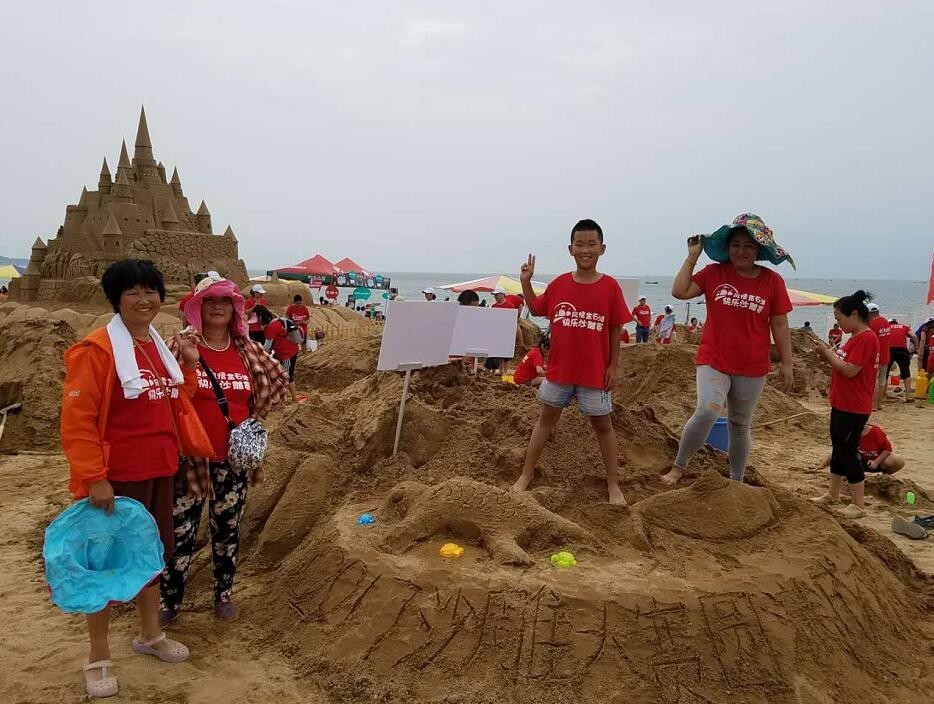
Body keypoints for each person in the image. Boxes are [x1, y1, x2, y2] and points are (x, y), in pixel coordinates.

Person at [60, 259, 213, 698]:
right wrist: (94, 477)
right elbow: (77, 421)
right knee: (103, 568)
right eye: (133, 292)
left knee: (150, 558)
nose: (144, 300)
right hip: (117, 478)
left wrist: (188, 363)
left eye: (151, 291)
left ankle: (148, 635)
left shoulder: (156, 348)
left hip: (160, 469)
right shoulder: (97, 351)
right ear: (116, 299)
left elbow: (175, 399)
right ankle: (98, 657)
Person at [160, 275, 289, 625]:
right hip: (189, 459)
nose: (218, 306)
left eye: (224, 301)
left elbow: (276, 383)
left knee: (227, 529)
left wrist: (254, 422)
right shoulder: (180, 347)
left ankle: (223, 593)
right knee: (180, 532)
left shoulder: (247, 350)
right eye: (209, 301)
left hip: (232, 460)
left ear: (235, 308)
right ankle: (170, 600)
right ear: (197, 307)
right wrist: (188, 364)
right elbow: (163, 397)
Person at [662, 213, 794, 486]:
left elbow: (779, 324)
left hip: (752, 365)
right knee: (707, 411)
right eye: (736, 245)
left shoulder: (772, 281)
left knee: (739, 424)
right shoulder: (714, 273)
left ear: (758, 249)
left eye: (748, 246)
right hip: (714, 358)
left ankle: (736, 480)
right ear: (727, 247)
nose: (741, 251)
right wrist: (693, 256)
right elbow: (680, 291)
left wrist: (787, 363)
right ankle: (679, 467)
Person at [510, 219, 632, 504]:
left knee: (603, 426)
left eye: (591, 244)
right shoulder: (560, 283)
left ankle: (613, 484)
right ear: (570, 248)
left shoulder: (610, 287)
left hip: (595, 373)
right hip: (559, 372)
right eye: (579, 244)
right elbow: (536, 308)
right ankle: (525, 475)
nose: (585, 250)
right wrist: (526, 283)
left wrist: (614, 366)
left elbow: (615, 328)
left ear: (602, 248)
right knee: (545, 420)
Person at [812, 290, 879, 519]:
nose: (838, 324)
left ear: (854, 314)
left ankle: (858, 505)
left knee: (849, 452)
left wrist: (827, 354)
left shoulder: (867, 338)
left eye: (840, 319)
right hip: (841, 402)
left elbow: (850, 370)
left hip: (855, 405)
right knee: (838, 449)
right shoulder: (854, 338)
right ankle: (833, 493)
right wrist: (830, 354)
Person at [816, 422, 904, 476]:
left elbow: (887, 449)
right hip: (857, 462)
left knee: (897, 460)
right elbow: (838, 451)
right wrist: (822, 466)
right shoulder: (847, 433)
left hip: (876, 461)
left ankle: (885, 478)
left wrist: (876, 462)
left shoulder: (875, 432)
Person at [256, 305, 302, 404]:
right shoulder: (275, 322)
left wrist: (257, 352)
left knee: (287, 376)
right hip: (283, 352)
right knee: (282, 375)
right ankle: (284, 399)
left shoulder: (271, 328)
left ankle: (294, 399)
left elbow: (266, 347)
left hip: (287, 353)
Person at [866, 303, 891, 411]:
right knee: (882, 381)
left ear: (870, 313)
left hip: (876, 356)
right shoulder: (886, 322)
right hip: (886, 355)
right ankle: (879, 404)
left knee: (874, 381)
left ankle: (873, 405)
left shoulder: (871, 324)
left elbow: (869, 342)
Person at [886, 317, 918, 397]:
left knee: (885, 372)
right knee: (906, 372)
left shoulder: (886, 327)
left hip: (889, 349)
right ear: (897, 323)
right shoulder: (904, 327)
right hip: (902, 350)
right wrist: (916, 347)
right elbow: (914, 336)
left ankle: (882, 393)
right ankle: (908, 395)